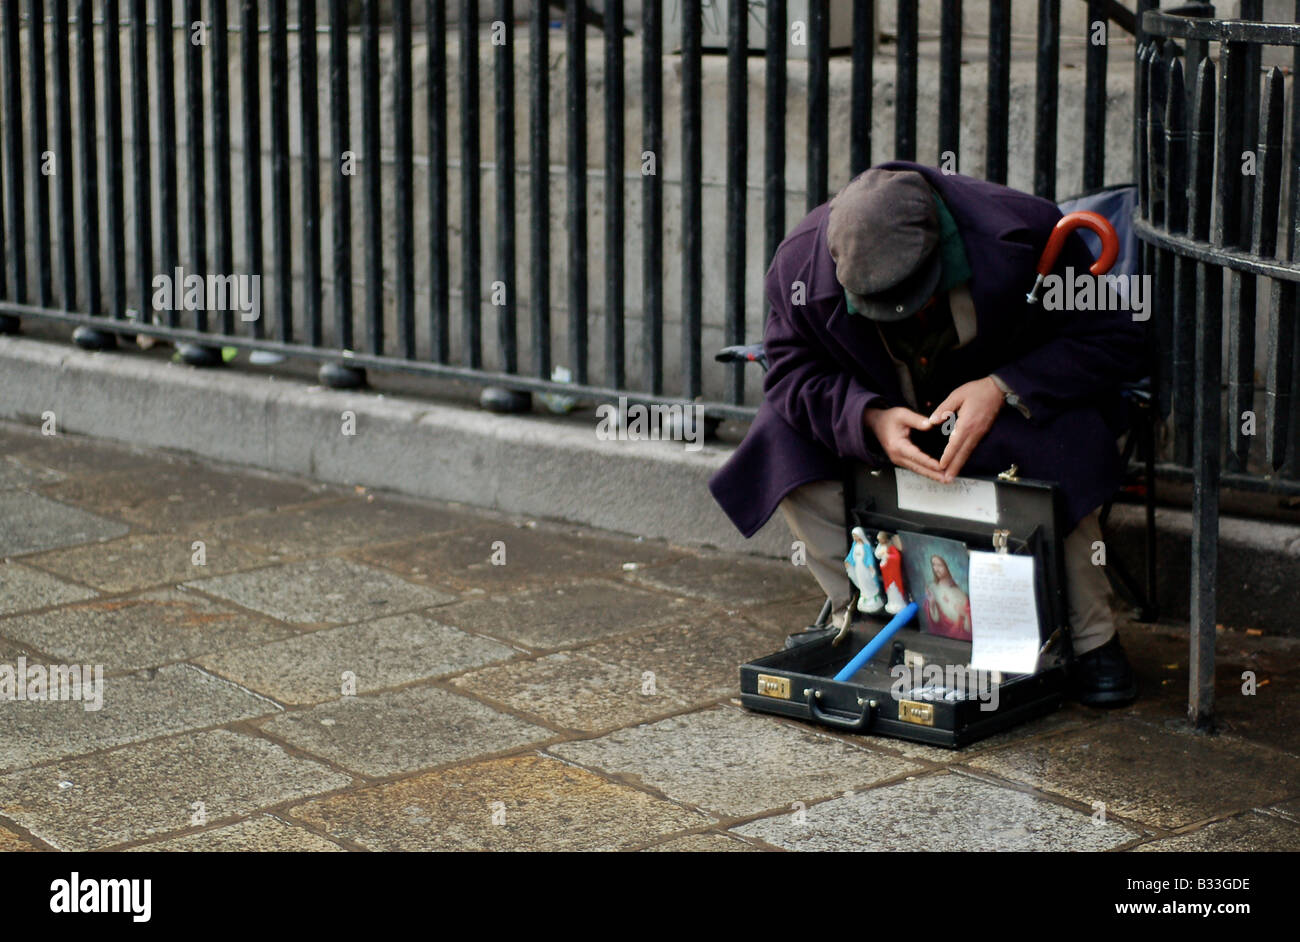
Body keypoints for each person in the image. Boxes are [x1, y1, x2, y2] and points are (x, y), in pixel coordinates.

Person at [708, 162, 1143, 706]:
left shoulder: (1022, 234)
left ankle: (1089, 637)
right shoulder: (798, 266)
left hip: (1004, 419)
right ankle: (867, 615)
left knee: (1061, 446)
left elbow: (1114, 340)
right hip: (889, 418)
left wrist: (1004, 386)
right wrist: (869, 418)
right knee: (782, 436)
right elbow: (791, 371)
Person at [923, 554, 972, 641]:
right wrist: (932, 603)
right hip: (941, 640)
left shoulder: (961, 593)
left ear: (947, 566)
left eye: (940, 565)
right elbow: (935, 621)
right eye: (934, 565)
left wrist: (965, 615)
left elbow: (968, 630)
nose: (936, 569)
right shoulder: (933, 588)